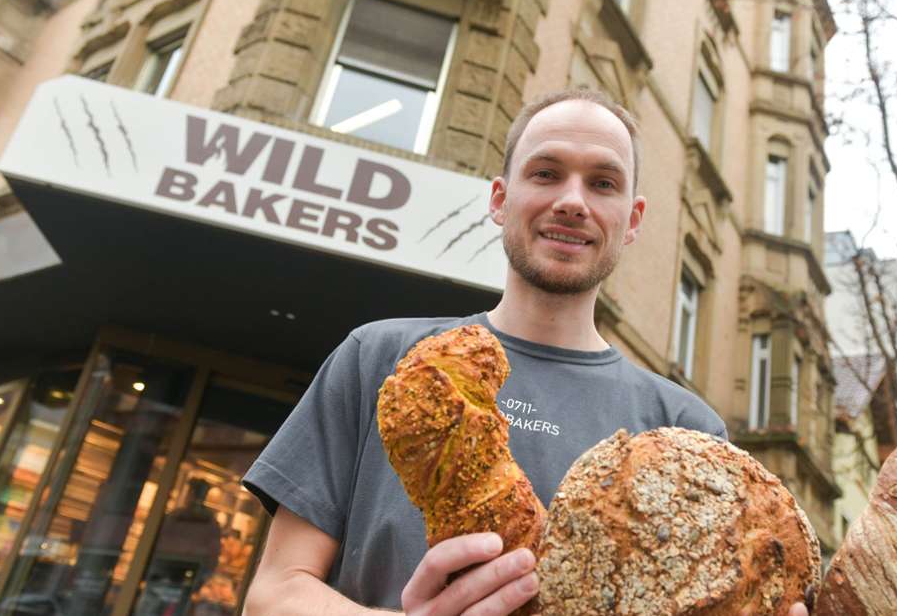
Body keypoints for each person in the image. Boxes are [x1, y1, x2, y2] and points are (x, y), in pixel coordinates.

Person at [241, 89, 810, 616]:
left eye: (603, 183)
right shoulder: (384, 360)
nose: (572, 201)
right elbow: (272, 593)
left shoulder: (686, 431)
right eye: (546, 173)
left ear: (632, 220)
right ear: (500, 198)